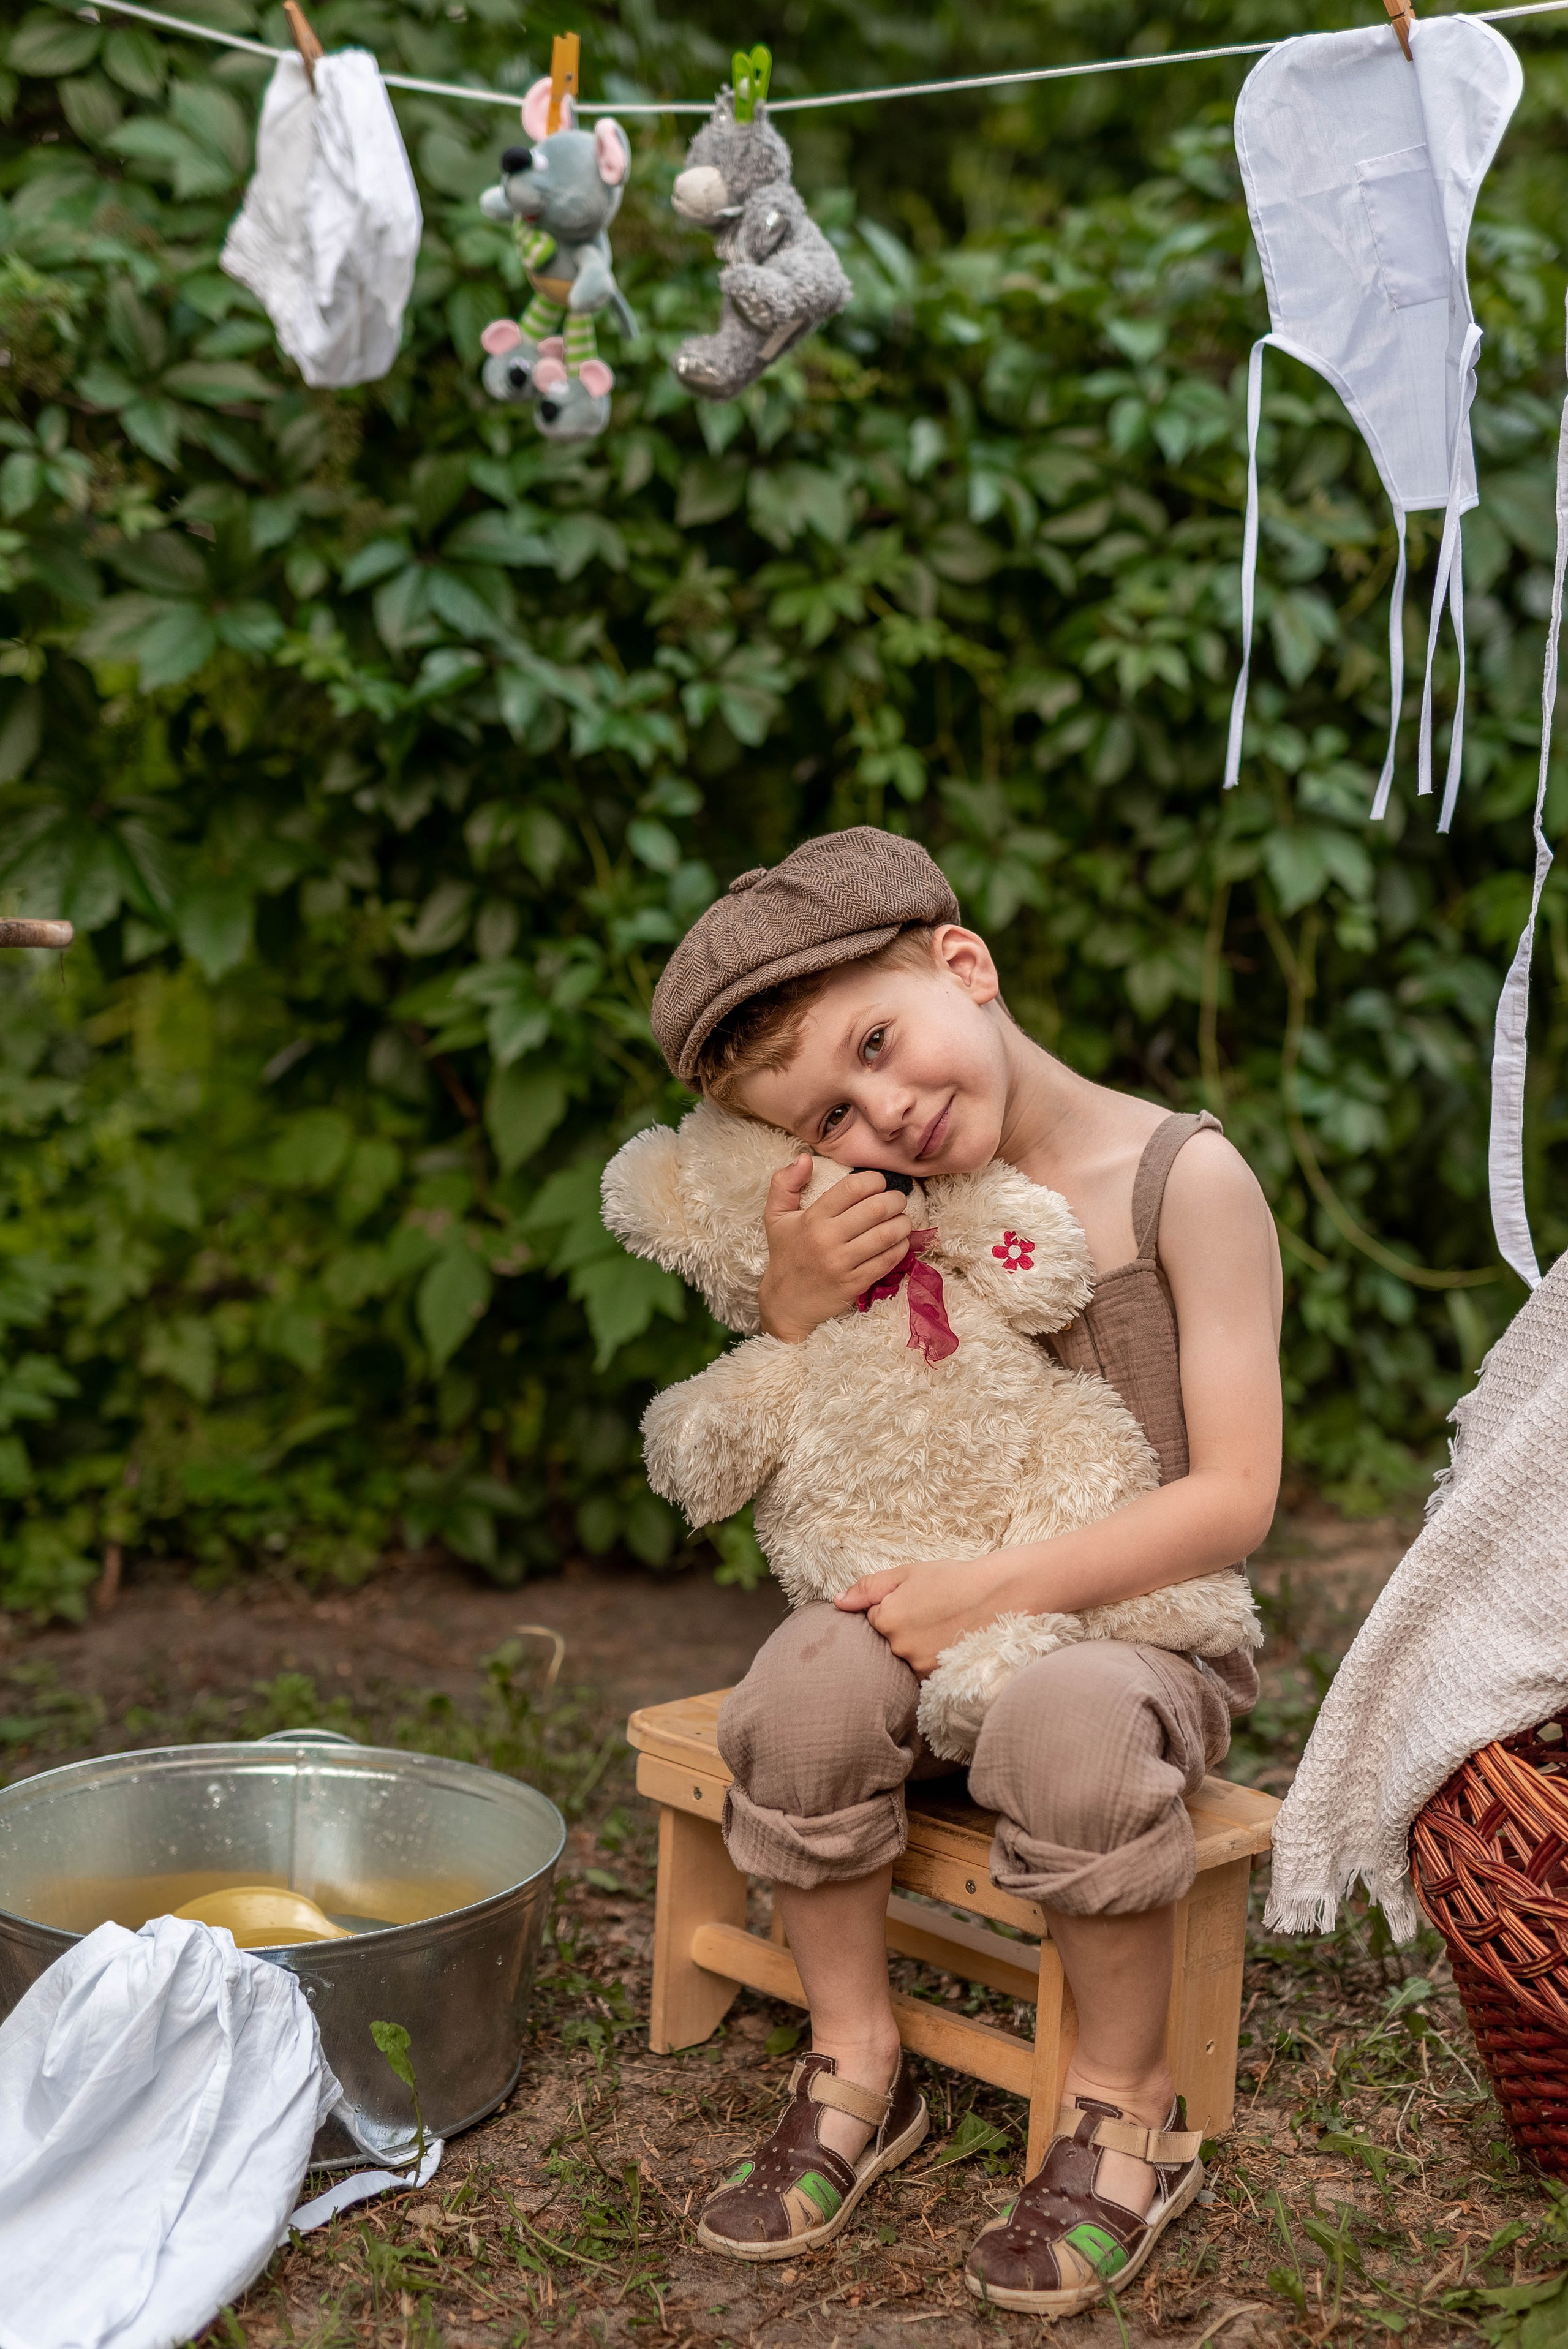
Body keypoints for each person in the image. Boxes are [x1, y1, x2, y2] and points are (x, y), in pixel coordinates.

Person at [646, 826, 1282, 2315]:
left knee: (1065, 1721)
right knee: (798, 1690)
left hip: (1137, 1636)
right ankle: (857, 2057)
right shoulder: (893, 1203)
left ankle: (1122, 2106)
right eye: (830, 1114)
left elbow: (1235, 1500)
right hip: (930, 1627)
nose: (884, 1112)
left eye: (877, 1043)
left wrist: (987, 1598)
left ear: (963, 964)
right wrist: (794, 1308)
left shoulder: (1181, 1181)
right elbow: (814, 1412)